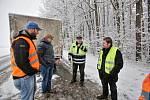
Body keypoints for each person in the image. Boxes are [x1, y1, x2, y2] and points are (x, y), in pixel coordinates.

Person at [11, 21, 42, 100]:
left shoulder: (27, 40)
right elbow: (21, 62)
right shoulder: (22, 41)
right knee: (27, 97)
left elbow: (30, 58)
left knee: (29, 96)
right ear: (32, 29)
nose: (38, 32)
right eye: (37, 30)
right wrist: (31, 71)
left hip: (26, 75)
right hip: (24, 76)